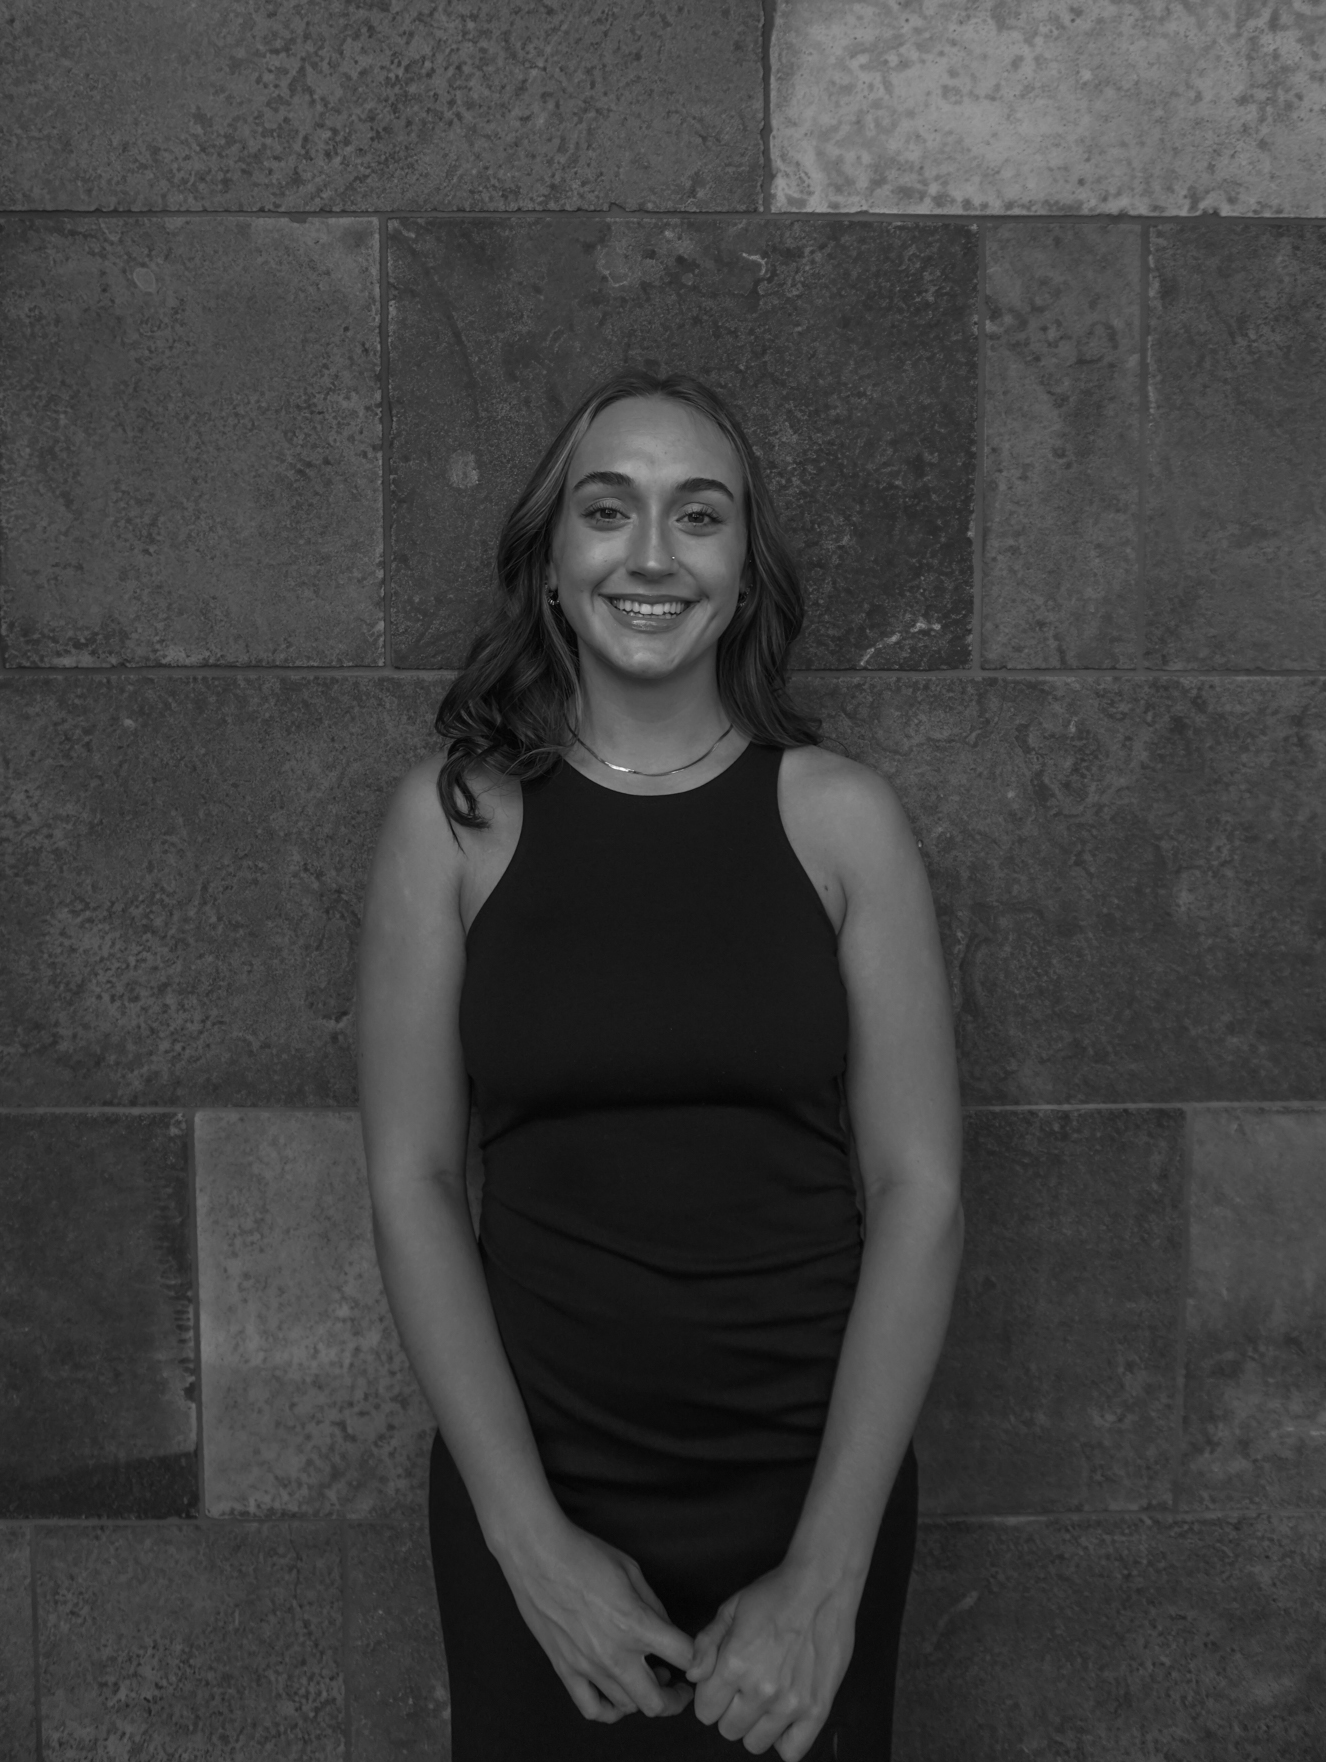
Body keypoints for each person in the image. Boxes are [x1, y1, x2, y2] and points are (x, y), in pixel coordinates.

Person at [356, 368, 963, 1760]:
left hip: (813, 1489)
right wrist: (530, 1550)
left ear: (743, 574)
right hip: (538, 1484)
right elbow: (411, 1184)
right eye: (605, 510)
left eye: (698, 516)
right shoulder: (452, 825)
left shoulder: (841, 822)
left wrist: (825, 1579)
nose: (648, 554)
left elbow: (919, 1190)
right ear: (551, 565)